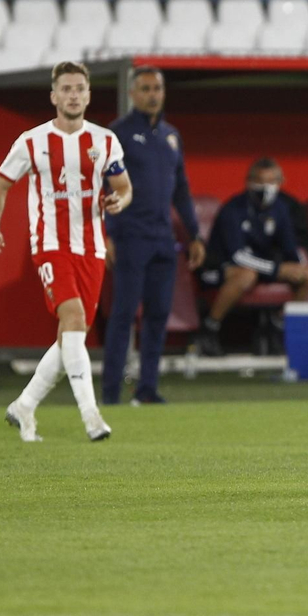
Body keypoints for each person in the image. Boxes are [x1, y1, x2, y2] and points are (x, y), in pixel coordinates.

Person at [0, 61, 131, 442]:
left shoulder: (104, 140)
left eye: (80, 88)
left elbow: (124, 185)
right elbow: (0, 185)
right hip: (49, 246)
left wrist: (121, 201)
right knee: (74, 319)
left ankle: (24, 405)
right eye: (66, 88)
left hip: (92, 249)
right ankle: (91, 416)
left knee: (71, 335)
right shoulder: (32, 141)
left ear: (88, 94)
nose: (73, 94)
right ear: (54, 96)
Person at [102, 67, 204, 406]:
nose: (153, 94)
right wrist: (108, 234)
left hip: (164, 239)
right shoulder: (118, 135)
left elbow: (182, 190)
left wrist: (194, 234)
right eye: (145, 88)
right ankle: (112, 392)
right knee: (124, 315)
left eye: (157, 88)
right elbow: (103, 188)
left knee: (158, 314)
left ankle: (147, 388)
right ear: (132, 93)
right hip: (130, 236)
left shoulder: (171, 135)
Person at [195, 158, 308, 356]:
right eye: (259, 181)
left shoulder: (280, 208)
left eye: (271, 182)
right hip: (220, 268)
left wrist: (297, 267)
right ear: (248, 181)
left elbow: (290, 248)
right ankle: (210, 328)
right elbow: (238, 255)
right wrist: (277, 269)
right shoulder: (233, 209)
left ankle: (278, 325)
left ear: (280, 182)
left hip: (261, 267)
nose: (265, 188)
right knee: (246, 275)